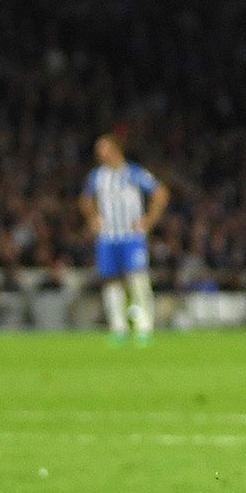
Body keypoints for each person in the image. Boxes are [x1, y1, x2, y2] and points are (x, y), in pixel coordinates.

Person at [80, 134, 168, 347]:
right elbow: (84, 200)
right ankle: (118, 328)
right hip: (108, 237)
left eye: (102, 148)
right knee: (111, 282)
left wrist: (148, 221)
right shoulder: (97, 176)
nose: (98, 153)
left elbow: (161, 193)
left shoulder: (133, 173)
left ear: (114, 149)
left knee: (137, 280)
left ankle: (144, 328)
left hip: (131, 238)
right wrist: (93, 218)